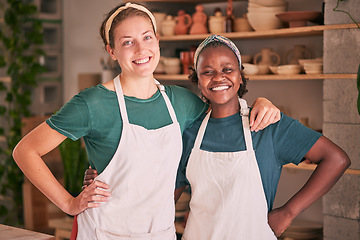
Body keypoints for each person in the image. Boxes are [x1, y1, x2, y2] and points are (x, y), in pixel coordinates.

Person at [12, 3, 280, 240]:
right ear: (112, 51)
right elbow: (25, 151)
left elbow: (225, 108)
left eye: (147, 37)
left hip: (160, 233)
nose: (141, 49)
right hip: (103, 232)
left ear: (157, 41)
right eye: (127, 42)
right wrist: (69, 204)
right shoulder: (92, 103)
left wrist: (261, 103)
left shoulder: (181, 102)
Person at [172, 35, 350, 239]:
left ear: (240, 76)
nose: (218, 77)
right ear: (198, 81)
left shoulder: (268, 125)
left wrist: (288, 212)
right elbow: (167, 204)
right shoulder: (188, 133)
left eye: (227, 69)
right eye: (207, 72)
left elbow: (336, 159)